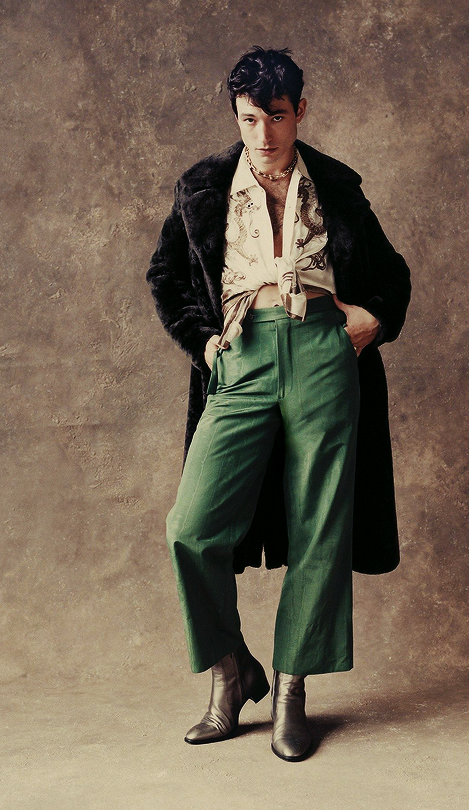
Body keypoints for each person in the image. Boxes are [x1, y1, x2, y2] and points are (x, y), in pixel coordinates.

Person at [146, 46, 411, 762]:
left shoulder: (337, 186)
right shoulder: (202, 188)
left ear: (301, 112)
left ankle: (293, 686)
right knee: (191, 526)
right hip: (243, 353)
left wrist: (373, 318)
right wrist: (203, 343)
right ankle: (232, 672)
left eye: (277, 116)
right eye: (249, 118)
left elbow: (391, 273)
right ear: (237, 116)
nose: (263, 133)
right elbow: (165, 274)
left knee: (321, 524)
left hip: (323, 349)